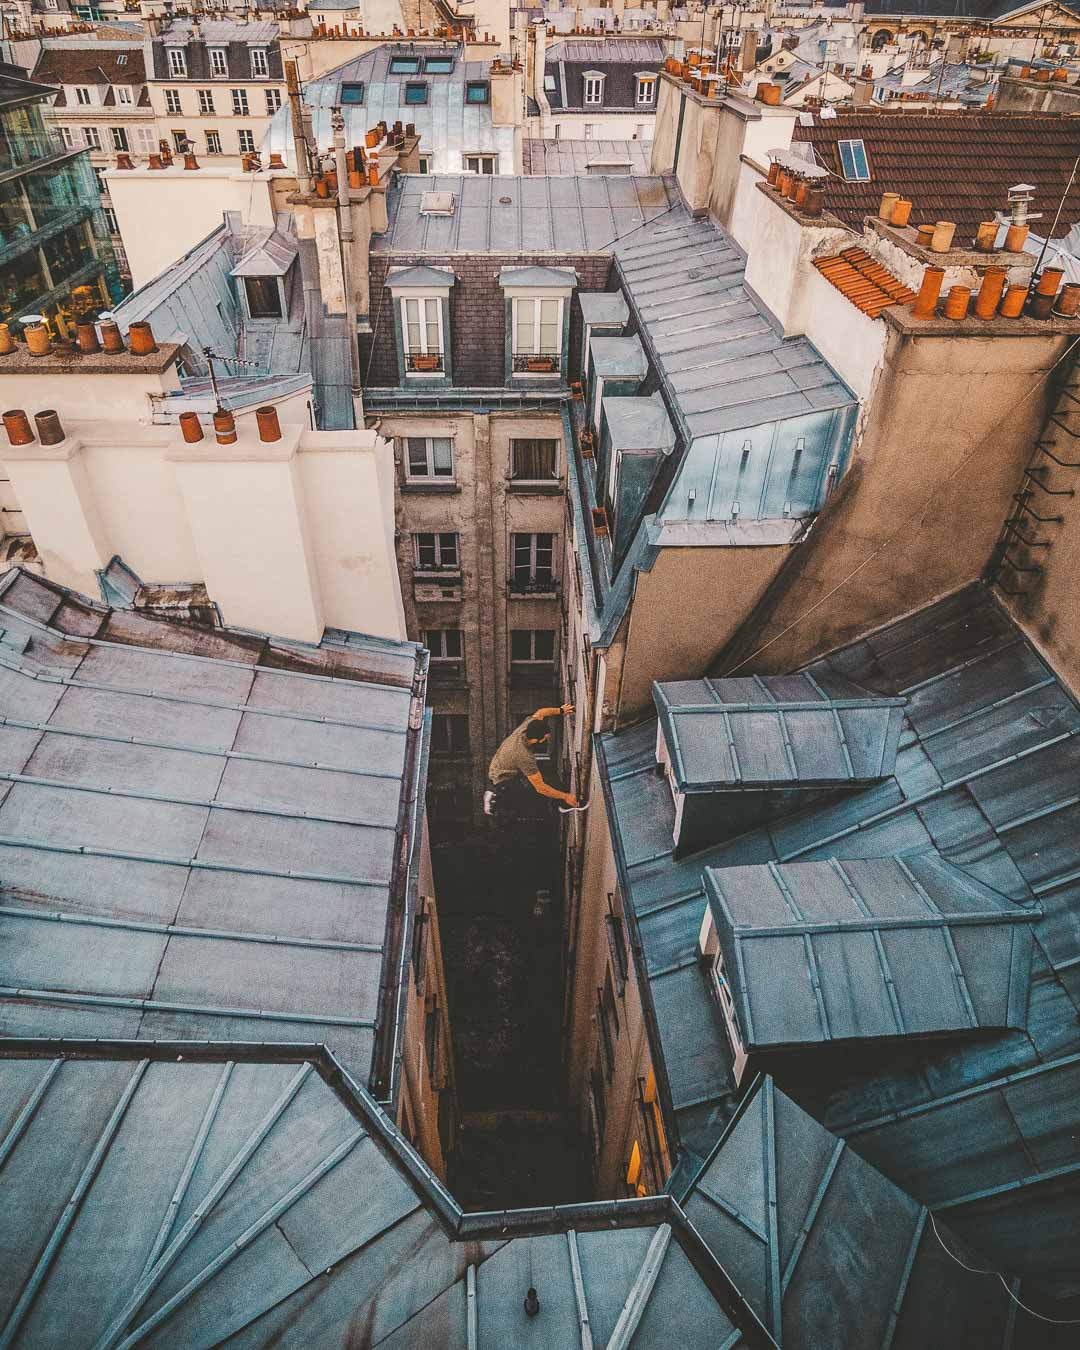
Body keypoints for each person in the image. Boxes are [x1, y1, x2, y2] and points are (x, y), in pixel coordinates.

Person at [485, 704, 577, 814]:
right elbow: (540, 788)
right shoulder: (524, 756)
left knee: (549, 776)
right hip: (502, 778)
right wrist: (565, 796)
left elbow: (541, 712)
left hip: (501, 762)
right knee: (530, 794)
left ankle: (566, 803)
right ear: (536, 740)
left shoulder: (529, 725)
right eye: (546, 737)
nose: (548, 738)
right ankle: (495, 798)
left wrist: (561, 710)